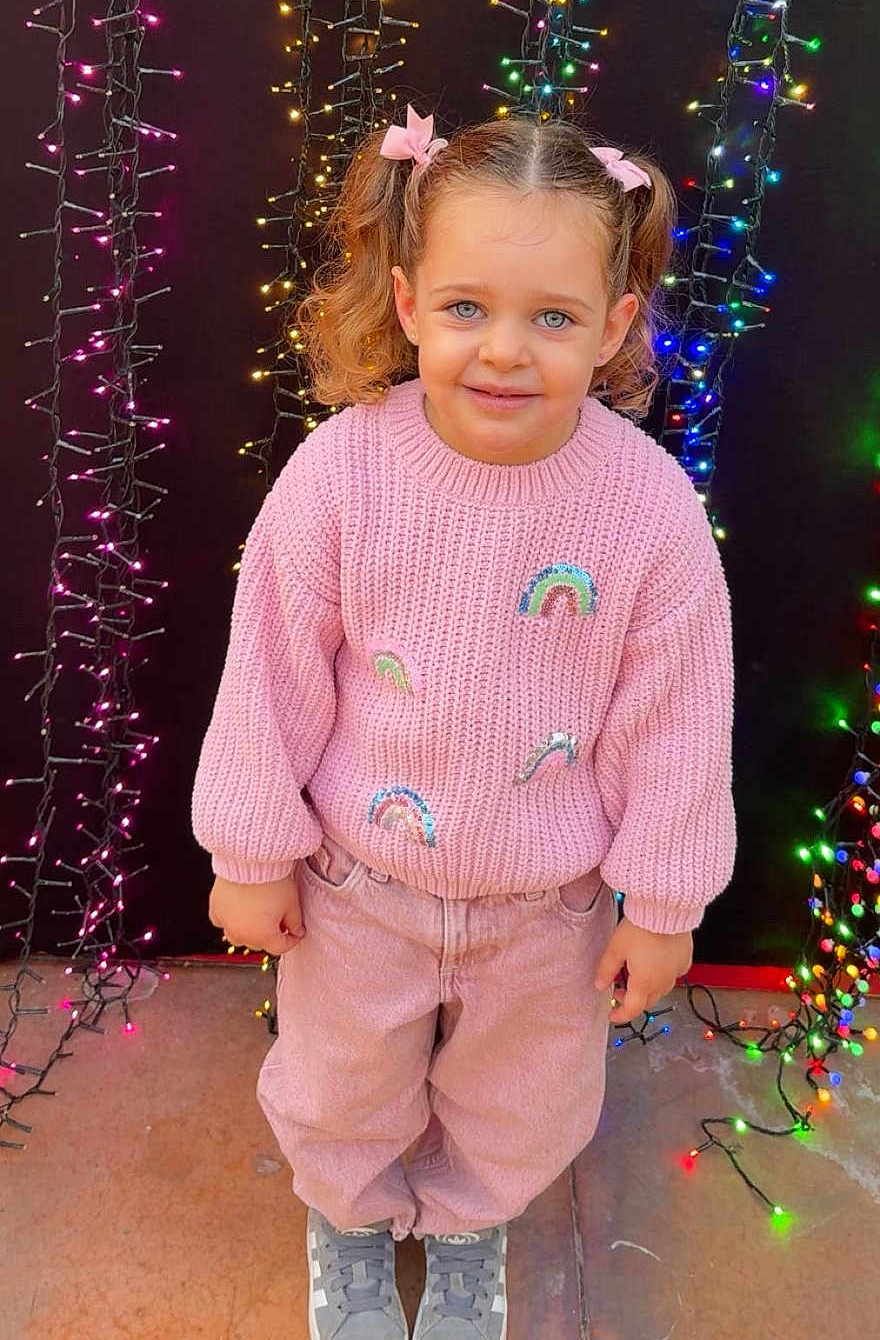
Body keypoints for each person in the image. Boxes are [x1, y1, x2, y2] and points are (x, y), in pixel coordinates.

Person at [191, 105, 735, 1340]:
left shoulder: (646, 508)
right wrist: (247, 853)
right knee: (339, 1088)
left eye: (552, 316)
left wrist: (664, 905)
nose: (505, 351)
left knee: (525, 1104)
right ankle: (347, 1218)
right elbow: (270, 670)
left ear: (615, 323)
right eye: (466, 308)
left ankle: (470, 1225)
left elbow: (679, 722)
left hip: (549, 904)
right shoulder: (342, 471)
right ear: (405, 301)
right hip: (355, 885)